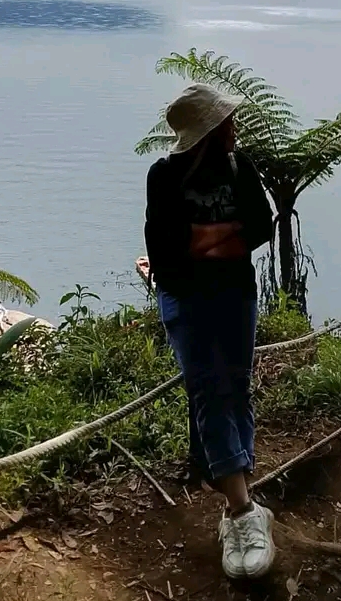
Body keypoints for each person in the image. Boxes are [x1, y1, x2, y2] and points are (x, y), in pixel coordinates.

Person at [144, 83, 276, 579]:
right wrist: (226, 237)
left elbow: (261, 228)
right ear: (208, 132)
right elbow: (164, 249)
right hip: (187, 297)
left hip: (235, 295)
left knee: (235, 384)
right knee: (209, 389)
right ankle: (242, 513)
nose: (235, 128)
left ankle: (235, 486)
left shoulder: (241, 168)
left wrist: (202, 239)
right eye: (226, 123)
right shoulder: (164, 176)